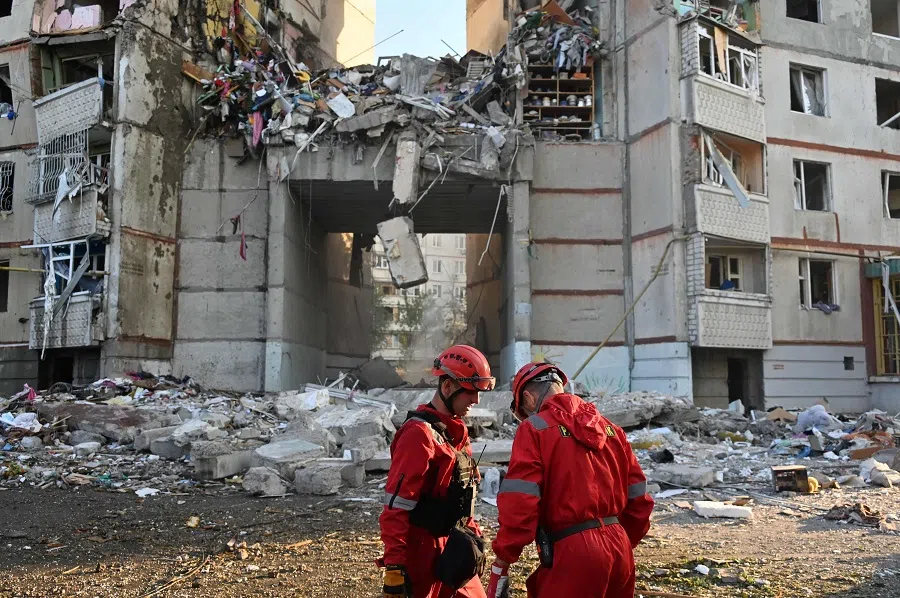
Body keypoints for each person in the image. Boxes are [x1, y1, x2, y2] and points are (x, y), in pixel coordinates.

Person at [486, 362, 654, 598]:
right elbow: (640, 501)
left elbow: (520, 501)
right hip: (620, 550)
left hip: (573, 551)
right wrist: (617, 542)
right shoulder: (612, 430)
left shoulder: (534, 429)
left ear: (528, 398)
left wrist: (504, 556)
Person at [378, 345, 496, 598]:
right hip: (423, 555)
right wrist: (395, 568)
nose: (475, 402)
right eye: (470, 393)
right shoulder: (418, 435)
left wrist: (474, 539)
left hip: (454, 548)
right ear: (447, 387)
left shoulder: (455, 434)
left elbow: (464, 496)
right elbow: (396, 507)